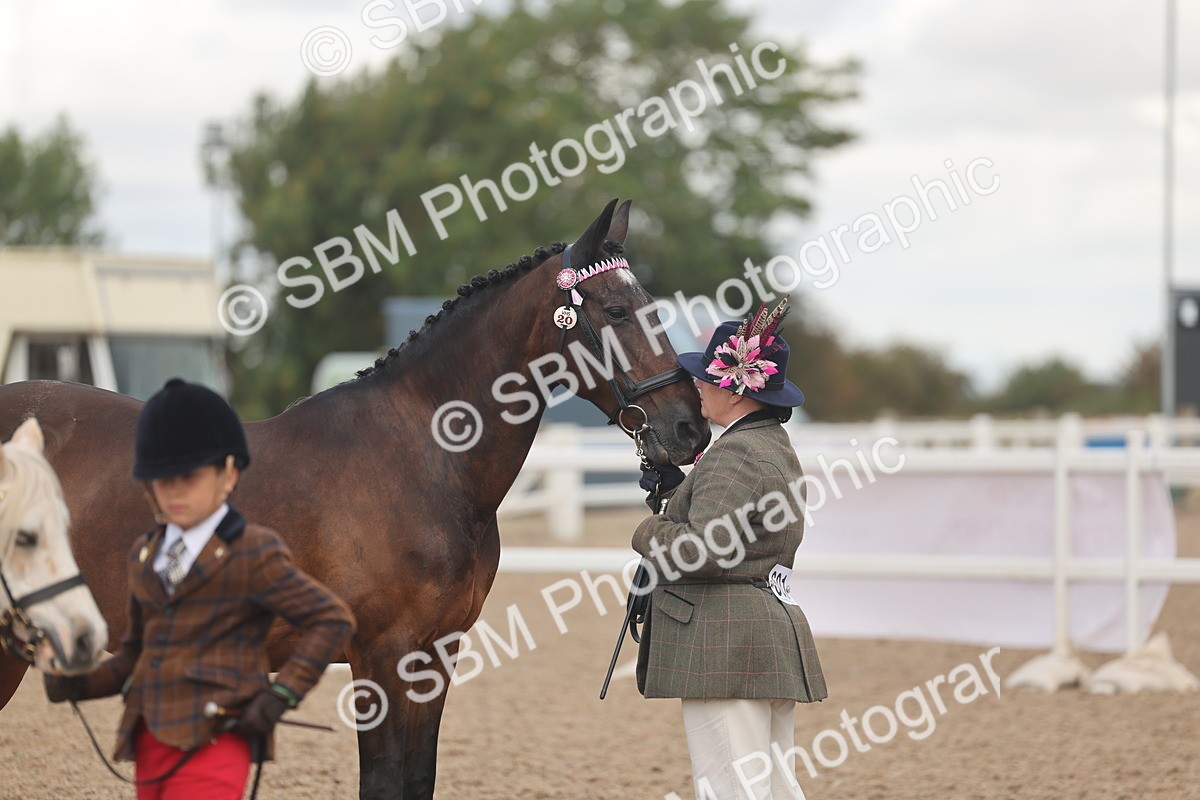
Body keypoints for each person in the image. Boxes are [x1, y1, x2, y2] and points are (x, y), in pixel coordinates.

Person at [44, 377, 355, 799]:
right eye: (161, 477)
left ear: (228, 476)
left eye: (189, 477)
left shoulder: (253, 552)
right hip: (150, 743)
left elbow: (330, 619)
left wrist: (282, 694)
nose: (173, 490)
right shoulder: (146, 554)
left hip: (217, 743)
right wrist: (82, 683)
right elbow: (136, 654)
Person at [632, 300, 827, 800]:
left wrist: (648, 530)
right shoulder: (772, 447)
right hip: (758, 638)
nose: (696, 385)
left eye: (705, 378)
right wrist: (679, 496)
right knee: (774, 787)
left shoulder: (735, 454)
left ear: (736, 389)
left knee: (730, 786)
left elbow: (703, 552)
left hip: (725, 646)